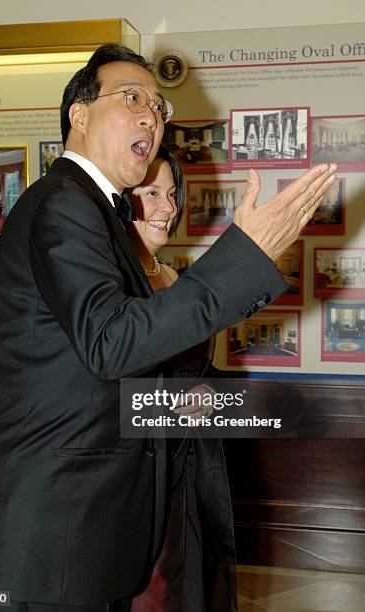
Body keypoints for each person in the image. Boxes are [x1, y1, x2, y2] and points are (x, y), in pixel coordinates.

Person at [0, 42, 336, 612]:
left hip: (85, 530)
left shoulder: (95, 212)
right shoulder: (64, 202)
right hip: (54, 538)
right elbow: (112, 344)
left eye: (159, 108)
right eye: (131, 97)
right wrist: (243, 257)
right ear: (79, 115)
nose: (151, 116)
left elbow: (110, 368)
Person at [126, 146, 237, 611]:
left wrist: (210, 388)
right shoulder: (114, 282)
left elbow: (200, 368)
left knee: (193, 585)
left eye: (172, 194)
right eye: (152, 193)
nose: (169, 208)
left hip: (193, 463)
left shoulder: (173, 276)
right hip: (136, 471)